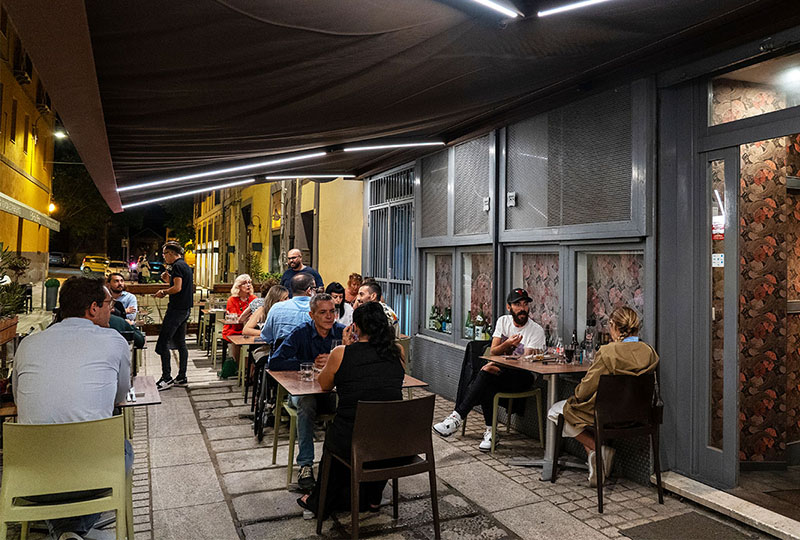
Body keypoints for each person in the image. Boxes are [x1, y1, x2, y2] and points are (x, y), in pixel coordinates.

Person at [13, 276, 132, 540]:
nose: (111, 309)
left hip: (28, 478)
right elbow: (120, 396)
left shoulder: (28, 344)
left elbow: (18, 400)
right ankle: (71, 530)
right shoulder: (114, 341)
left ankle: (63, 530)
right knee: (123, 447)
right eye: (108, 304)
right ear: (92, 308)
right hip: (92, 476)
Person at [297, 301, 406, 519]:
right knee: (376, 429)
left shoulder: (341, 353)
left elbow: (324, 385)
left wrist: (345, 348)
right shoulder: (397, 351)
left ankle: (322, 499)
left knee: (339, 433)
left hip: (352, 441)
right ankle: (373, 498)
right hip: (394, 442)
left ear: (355, 327)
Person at [548, 306, 658, 487]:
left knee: (556, 411)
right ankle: (595, 456)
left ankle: (597, 449)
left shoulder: (608, 352)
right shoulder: (649, 352)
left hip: (604, 416)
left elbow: (585, 390)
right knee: (571, 411)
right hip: (639, 417)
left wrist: (575, 396)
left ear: (614, 327)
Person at [433, 288, 546, 451]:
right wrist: (507, 345)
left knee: (487, 371)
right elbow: (493, 351)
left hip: (524, 377)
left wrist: (503, 352)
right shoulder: (503, 321)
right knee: (487, 378)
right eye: (518, 305)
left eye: (525, 304)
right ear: (509, 307)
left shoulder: (536, 330)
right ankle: (490, 432)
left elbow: (525, 363)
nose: (523, 308)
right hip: (501, 373)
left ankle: (457, 419)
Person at [269, 293, 344, 492]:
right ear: (312, 315)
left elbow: (356, 359)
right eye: (323, 312)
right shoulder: (301, 333)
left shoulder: (341, 333)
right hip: (303, 393)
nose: (329, 317)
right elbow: (274, 362)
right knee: (307, 403)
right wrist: (309, 363)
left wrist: (335, 360)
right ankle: (306, 465)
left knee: (351, 403)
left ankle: (341, 461)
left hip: (330, 392)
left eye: (332, 312)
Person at [154, 241, 194, 390]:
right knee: (181, 343)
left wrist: (163, 292)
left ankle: (167, 378)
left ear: (171, 253)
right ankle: (182, 376)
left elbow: (177, 288)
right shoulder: (185, 266)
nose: (164, 257)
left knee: (163, 343)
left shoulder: (177, 266)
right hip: (185, 309)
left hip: (176, 310)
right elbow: (180, 285)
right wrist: (168, 280)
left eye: (165, 254)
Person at [260, 273, 315, 345]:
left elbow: (266, 337)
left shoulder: (276, 308)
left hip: (280, 355)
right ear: (309, 291)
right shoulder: (320, 309)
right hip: (312, 355)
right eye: (315, 288)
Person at [221, 273, 256, 364]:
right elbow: (234, 317)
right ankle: (237, 365)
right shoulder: (232, 300)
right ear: (238, 286)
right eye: (245, 283)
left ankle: (248, 368)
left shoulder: (254, 299)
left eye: (249, 283)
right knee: (236, 340)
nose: (248, 285)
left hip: (249, 329)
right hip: (233, 329)